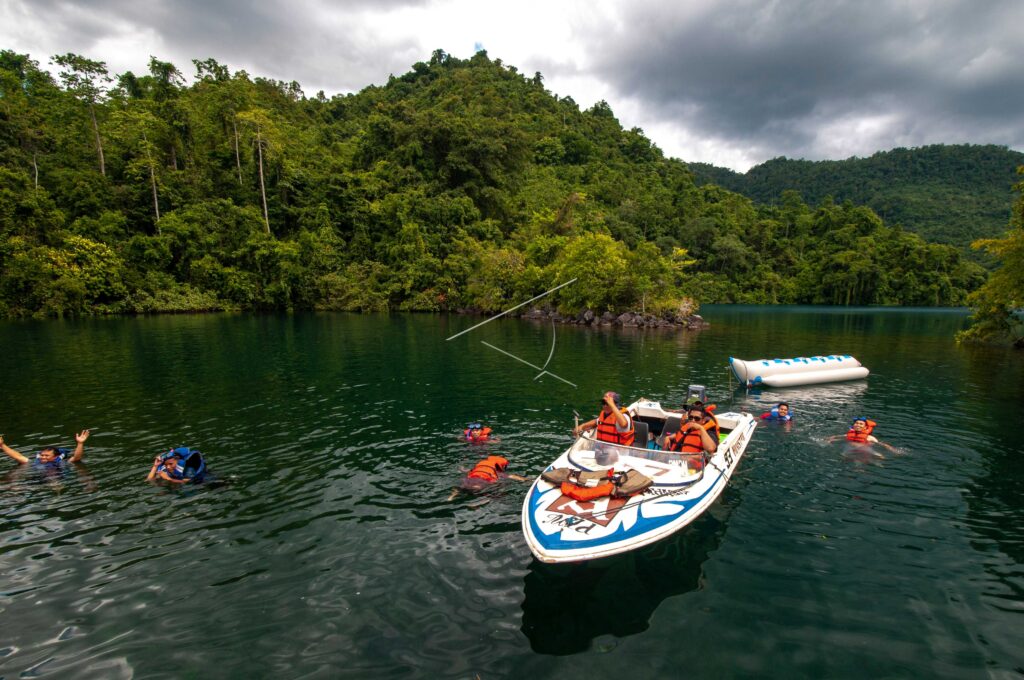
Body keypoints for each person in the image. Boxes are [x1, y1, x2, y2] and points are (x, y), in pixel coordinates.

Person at [447, 454, 528, 500]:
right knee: (497, 491)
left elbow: (464, 470)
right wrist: (526, 479)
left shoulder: (478, 468)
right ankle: (478, 502)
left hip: (469, 480)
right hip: (480, 484)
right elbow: (512, 476)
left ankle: (452, 496)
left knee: (462, 487)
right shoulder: (497, 472)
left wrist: (461, 467)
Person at [1, 430, 90, 467]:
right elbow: (18, 456)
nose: (43, 457)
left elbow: (76, 457)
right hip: (38, 478)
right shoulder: (35, 462)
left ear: (55, 456)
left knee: (55, 484)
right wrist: (2, 445)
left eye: (47, 456)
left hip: (55, 477)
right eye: (42, 455)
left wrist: (80, 443)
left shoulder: (61, 462)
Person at [829, 417, 897, 453]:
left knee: (879, 456)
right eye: (856, 423)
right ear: (853, 425)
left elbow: (881, 444)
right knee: (843, 456)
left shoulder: (869, 437)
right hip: (850, 447)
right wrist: (830, 439)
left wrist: (891, 448)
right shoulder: (849, 434)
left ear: (865, 427)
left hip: (864, 448)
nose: (858, 425)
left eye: (861, 424)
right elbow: (838, 437)